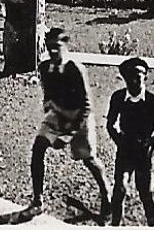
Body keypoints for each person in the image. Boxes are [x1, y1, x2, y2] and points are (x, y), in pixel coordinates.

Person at [29, 28, 109, 220]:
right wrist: (50, 112)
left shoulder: (76, 69)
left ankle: (107, 195)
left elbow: (86, 106)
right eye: (49, 47)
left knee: (88, 159)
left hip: (79, 117)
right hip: (58, 113)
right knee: (38, 147)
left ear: (65, 45)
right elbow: (48, 95)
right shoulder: (44, 67)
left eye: (57, 47)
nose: (53, 51)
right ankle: (38, 199)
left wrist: (68, 135)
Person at [106, 56, 154, 226]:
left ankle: (152, 226)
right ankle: (115, 226)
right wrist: (120, 141)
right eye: (130, 76)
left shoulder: (151, 101)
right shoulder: (118, 98)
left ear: (145, 77)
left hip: (146, 152)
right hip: (126, 149)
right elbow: (110, 124)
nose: (135, 79)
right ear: (125, 78)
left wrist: (149, 142)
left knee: (145, 193)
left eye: (139, 75)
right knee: (119, 190)